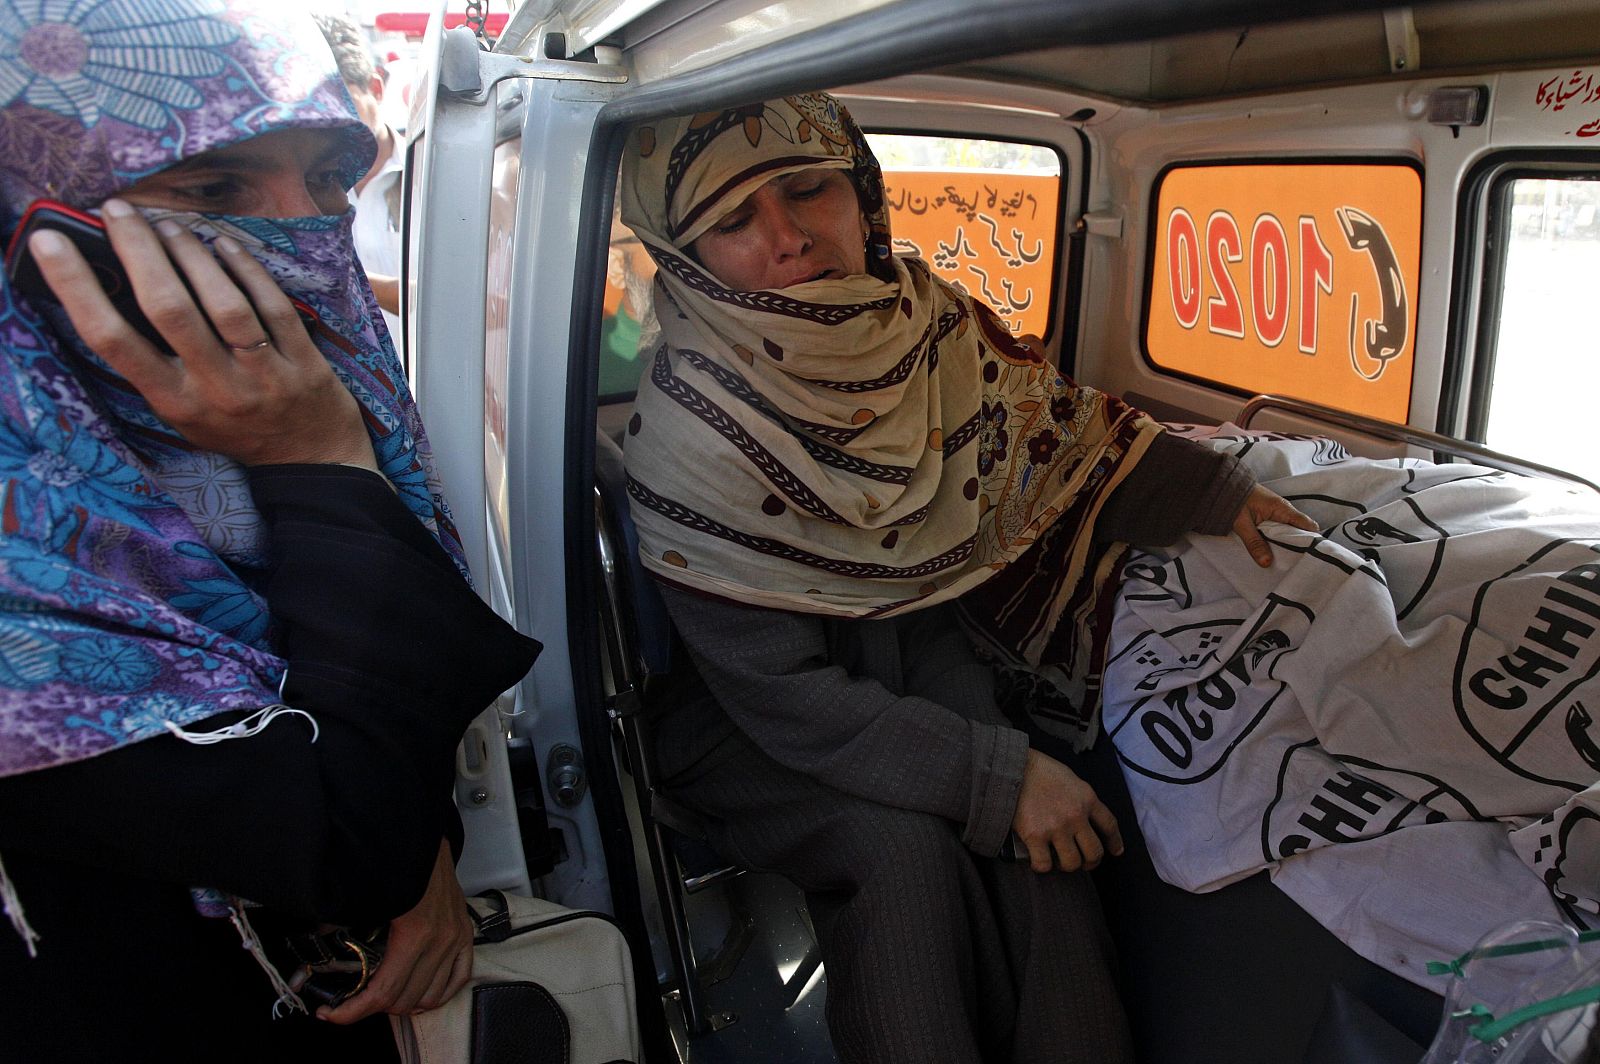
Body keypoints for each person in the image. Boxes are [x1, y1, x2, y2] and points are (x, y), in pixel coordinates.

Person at [618, 93, 1315, 1063]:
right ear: (685, 254)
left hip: (917, 649)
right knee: (900, 852)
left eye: (808, 188)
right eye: (732, 220)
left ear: (858, 192)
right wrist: (989, 776)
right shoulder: (686, 437)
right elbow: (787, 699)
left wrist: (1199, 486)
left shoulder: (927, 321)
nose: (787, 238)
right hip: (746, 719)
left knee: (1051, 834)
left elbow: (1050, 427)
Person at [0, 2, 539, 1060]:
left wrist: (419, 838)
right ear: (37, 213)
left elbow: (370, 756)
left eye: (332, 177)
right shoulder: (36, 537)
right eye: (215, 189)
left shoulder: (214, 446)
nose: (305, 230)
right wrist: (318, 463)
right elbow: (340, 827)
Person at [315, 11, 405, 341]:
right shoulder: (301, 195)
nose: (334, 125)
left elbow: (467, 298)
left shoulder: (439, 174)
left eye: (344, 106)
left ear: (376, 89)